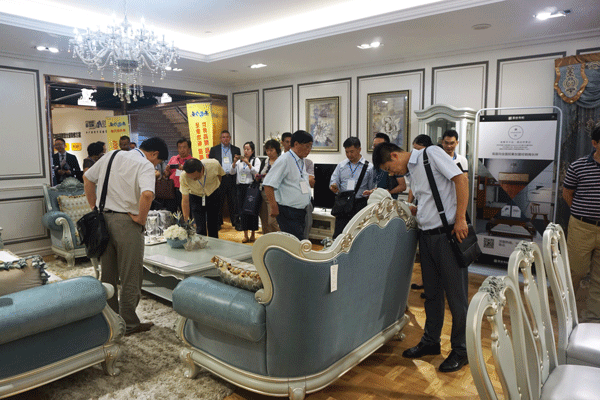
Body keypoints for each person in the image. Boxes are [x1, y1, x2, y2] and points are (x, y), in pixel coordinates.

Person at [373, 141, 469, 373]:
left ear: (394, 156)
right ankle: (431, 341)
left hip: (447, 235)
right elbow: (430, 200)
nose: (392, 174)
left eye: (389, 169)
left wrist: (461, 218)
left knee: (456, 298)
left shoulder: (431, 153)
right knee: (432, 295)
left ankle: (461, 350)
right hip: (426, 237)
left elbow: (461, 180)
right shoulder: (413, 171)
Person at [83, 137, 169, 336]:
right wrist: (141, 218)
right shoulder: (144, 165)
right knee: (131, 274)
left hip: (103, 221)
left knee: (108, 274)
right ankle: (129, 323)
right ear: (154, 154)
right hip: (127, 223)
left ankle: (112, 320)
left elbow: (87, 178)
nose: (156, 166)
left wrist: (93, 207)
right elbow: (147, 194)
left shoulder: (111, 155)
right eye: (157, 162)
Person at [562, 125, 600, 323]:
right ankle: (566, 312)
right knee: (575, 271)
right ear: (594, 143)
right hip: (581, 227)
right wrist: (582, 213)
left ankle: (594, 317)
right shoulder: (578, 166)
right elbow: (567, 193)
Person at [263, 130, 313, 241]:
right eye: (307, 146)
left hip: (300, 210)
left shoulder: (300, 160)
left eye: (310, 146)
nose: (309, 150)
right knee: (296, 243)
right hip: (288, 211)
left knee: (297, 243)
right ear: (296, 144)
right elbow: (268, 184)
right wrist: (273, 206)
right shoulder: (284, 160)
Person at [330, 137, 376, 238]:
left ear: (359, 149)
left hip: (360, 204)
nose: (349, 155)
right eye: (346, 152)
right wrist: (334, 186)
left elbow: (372, 188)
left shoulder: (369, 167)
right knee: (339, 235)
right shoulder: (341, 165)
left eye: (352, 151)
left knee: (358, 235)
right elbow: (334, 181)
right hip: (343, 203)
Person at [180, 158, 225, 238]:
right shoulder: (184, 177)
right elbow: (185, 200)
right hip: (196, 197)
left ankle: (214, 244)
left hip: (213, 194)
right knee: (200, 227)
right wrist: (186, 219)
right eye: (192, 179)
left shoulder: (213, 164)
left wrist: (216, 187)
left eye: (196, 178)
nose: (194, 179)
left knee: (213, 225)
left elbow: (220, 175)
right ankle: (201, 244)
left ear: (202, 170)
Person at [209, 130, 241, 229]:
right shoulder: (214, 149)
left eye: (227, 137)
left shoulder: (236, 149)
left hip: (232, 177)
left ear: (230, 138)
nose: (225, 139)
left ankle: (235, 222)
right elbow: (211, 164)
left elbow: (239, 164)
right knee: (219, 201)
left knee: (233, 201)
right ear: (220, 139)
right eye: (223, 137)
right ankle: (218, 223)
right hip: (220, 178)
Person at [231, 141, 261, 243]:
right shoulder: (239, 161)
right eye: (245, 149)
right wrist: (234, 162)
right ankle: (245, 235)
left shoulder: (255, 160)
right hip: (240, 188)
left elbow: (256, 172)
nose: (246, 151)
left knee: (252, 211)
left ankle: (253, 234)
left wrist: (248, 163)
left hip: (251, 188)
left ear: (252, 151)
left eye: (248, 149)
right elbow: (231, 172)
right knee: (242, 211)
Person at [365, 132, 406, 199]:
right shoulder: (375, 165)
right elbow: (378, 186)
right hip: (376, 201)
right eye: (374, 146)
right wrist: (371, 191)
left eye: (378, 146)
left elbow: (402, 186)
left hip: (390, 201)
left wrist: (388, 192)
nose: (375, 149)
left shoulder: (393, 164)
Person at [256, 139, 281, 234]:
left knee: (272, 221)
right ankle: (266, 239)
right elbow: (260, 174)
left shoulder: (280, 162)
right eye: (267, 150)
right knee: (264, 220)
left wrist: (269, 175)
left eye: (271, 150)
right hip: (262, 191)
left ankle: (280, 239)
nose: (269, 153)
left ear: (277, 150)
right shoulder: (265, 161)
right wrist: (258, 176)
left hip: (274, 193)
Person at [165, 137, 194, 212]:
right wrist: (167, 171)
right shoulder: (173, 158)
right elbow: (167, 174)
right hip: (172, 189)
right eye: (179, 147)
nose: (182, 150)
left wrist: (185, 168)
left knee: (186, 211)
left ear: (189, 149)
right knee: (172, 212)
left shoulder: (193, 161)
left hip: (186, 190)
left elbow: (195, 175)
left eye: (184, 147)